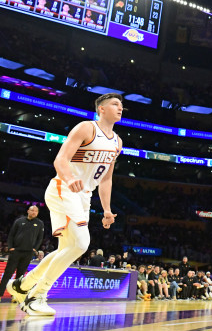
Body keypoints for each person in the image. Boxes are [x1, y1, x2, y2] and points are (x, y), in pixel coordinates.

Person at [8, 93, 122, 316]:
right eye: (115, 104)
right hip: (64, 187)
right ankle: (36, 296)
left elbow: (106, 178)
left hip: (84, 195)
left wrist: (107, 210)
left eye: (121, 105)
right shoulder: (86, 128)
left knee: (68, 248)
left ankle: (22, 285)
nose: (120, 108)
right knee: (81, 243)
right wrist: (70, 178)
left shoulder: (117, 142)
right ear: (101, 109)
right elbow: (60, 159)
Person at [0, 205, 44, 298]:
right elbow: (11, 235)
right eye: (32, 210)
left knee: (20, 276)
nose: (34, 212)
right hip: (16, 251)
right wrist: (11, 247)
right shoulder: (19, 221)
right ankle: (0, 294)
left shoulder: (40, 223)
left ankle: (15, 297)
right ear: (28, 211)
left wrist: (35, 249)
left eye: (36, 211)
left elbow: (40, 238)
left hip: (28, 253)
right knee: (8, 273)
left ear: (37, 213)